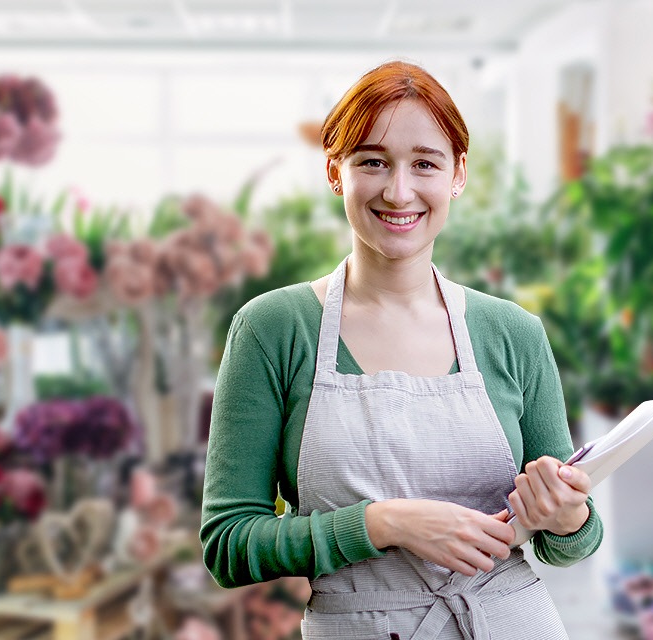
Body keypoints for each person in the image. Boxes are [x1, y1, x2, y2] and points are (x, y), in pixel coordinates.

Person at [200, 59, 603, 640]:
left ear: (457, 174)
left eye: (424, 164)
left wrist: (567, 515)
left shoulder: (513, 332)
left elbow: (574, 544)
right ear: (336, 171)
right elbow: (229, 544)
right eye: (372, 161)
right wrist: (383, 523)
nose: (398, 190)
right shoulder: (274, 329)